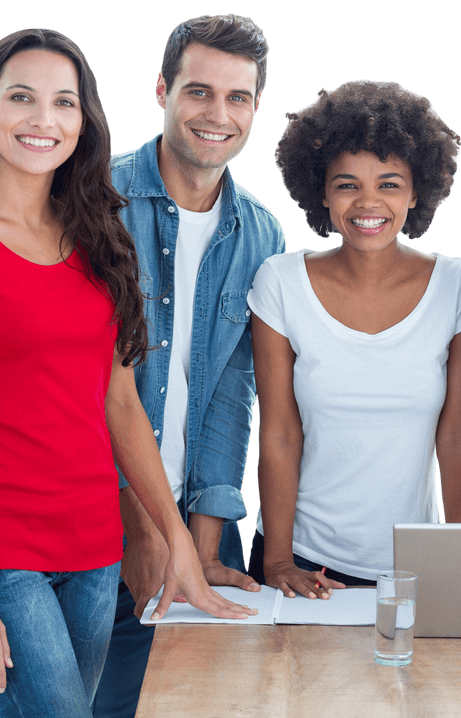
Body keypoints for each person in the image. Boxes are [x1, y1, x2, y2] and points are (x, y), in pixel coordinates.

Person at [0, 28, 253, 718]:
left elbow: (121, 406)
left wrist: (175, 537)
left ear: (82, 122)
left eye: (64, 103)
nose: (43, 120)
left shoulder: (98, 236)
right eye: (22, 98)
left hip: (94, 546)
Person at [92, 14, 286, 718]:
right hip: (96, 514)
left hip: (198, 517)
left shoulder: (261, 231)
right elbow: (83, 385)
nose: (218, 115)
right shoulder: (93, 200)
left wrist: (202, 541)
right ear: (161, 91)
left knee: (202, 704)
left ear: (256, 106)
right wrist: (144, 531)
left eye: (238, 98)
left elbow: (235, 397)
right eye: (198, 92)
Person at [248, 79, 461, 597]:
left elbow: (459, 437)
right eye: (347, 184)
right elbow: (280, 433)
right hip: (302, 561)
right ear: (322, 193)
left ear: (417, 191)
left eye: (390, 184)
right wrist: (279, 560)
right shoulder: (281, 282)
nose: (367, 203)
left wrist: (460, 557)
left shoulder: (455, 284)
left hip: (415, 567)